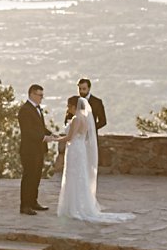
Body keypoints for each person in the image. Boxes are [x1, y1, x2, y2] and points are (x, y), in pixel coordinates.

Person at [56, 94, 133, 224]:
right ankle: (81, 205)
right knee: (79, 176)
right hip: (80, 148)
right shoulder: (85, 119)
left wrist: (53, 139)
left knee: (72, 176)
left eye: (68, 106)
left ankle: (73, 207)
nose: (67, 108)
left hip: (74, 149)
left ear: (74, 106)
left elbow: (69, 138)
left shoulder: (76, 119)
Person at [17, 84, 53, 214]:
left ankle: (33, 201)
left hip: (38, 150)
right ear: (32, 94)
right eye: (40, 95)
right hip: (29, 150)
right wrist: (43, 138)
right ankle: (25, 205)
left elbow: (39, 127)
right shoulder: (25, 110)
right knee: (29, 177)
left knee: (36, 177)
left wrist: (50, 134)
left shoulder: (37, 109)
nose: (41, 98)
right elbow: (28, 132)